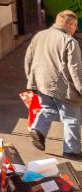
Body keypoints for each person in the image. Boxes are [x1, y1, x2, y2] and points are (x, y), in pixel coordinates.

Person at [25, 10, 82, 159]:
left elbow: (28, 59)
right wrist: (81, 89)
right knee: (71, 118)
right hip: (63, 86)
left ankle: (38, 129)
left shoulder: (39, 36)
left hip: (41, 82)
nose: (76, 28)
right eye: (75, 25)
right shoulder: (69, 41)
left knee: (48, 108)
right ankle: (72, 150)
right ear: (68, 25)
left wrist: (31, 79)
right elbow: (75, 69)